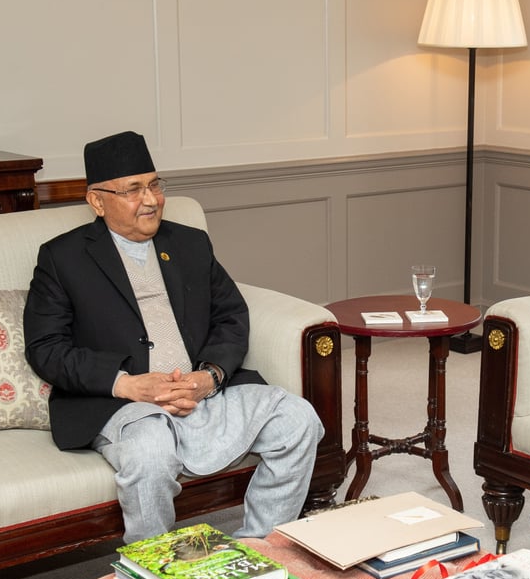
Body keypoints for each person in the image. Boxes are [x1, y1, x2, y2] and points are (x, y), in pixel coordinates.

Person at [24, 130, 324, 543]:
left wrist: (210, 376)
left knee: (298, 419)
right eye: (133, 190)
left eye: (154, 185)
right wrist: (127, 384)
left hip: (202, 389)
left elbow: (231, 314)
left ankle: (260, 546)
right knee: (149, 454)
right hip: (122, 403)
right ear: (97, 200)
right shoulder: (63, 257)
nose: (150, 200)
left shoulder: (189, 243)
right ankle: (155, 569)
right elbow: (46, 348)